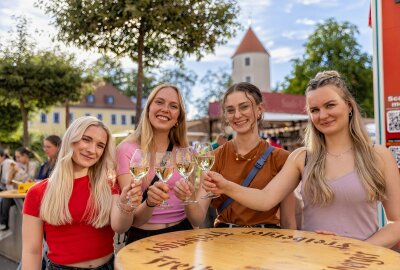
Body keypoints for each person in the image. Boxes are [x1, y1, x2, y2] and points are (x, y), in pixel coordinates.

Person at [203, 71, 400, 248]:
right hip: (313, 260)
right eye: (314, 110)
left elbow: (397, 223)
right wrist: (226, 186)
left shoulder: (379, 156)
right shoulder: (302, 157)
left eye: (330, 105)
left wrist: (357, 249)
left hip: (362, 263)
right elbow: (265, 199)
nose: (323, 115)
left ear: (348, 106)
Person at [22, 116, 142, 269]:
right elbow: (31, 251)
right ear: (71, 139)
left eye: (100, 145)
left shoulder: (108, 184)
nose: (92, 150)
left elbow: (120, 227)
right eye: (86, 139)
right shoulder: (38, 192)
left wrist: (126, 205)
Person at [174, 82, 297, 229]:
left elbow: (288, 221)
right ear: (225, 116)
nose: (237, 115)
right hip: (225, 242)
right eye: (230, 110)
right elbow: (197, 219)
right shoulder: (214, 157)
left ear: (259, 109)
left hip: (268, 243)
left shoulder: (282, 158)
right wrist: (188, 198)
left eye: (244, 107)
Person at [115, 83, 193, 243]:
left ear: (178, 117)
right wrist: (150, 203)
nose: (165, 109)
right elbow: (132, 217)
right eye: (159, 102)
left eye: (173, 106)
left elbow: (193, 208)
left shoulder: (184, 151)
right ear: (148, 108)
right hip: (145, 237)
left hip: (184, 233)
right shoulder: (127, 149)